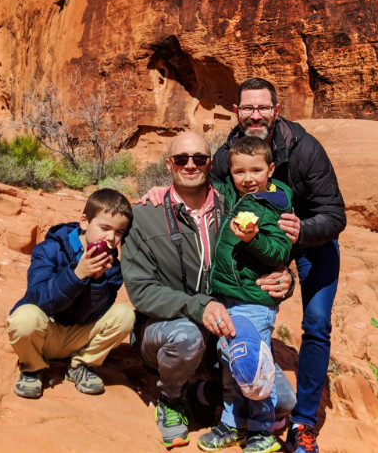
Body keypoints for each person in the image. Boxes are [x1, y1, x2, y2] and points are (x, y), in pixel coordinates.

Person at [122, 131, 296, 449]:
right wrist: (199, 307)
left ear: (210, 164)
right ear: (169, 164)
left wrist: (286, 280)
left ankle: (202, 394)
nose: (190, 165)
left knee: (281, 400)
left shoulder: (231, 203)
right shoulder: (146, 215)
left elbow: (267, 250)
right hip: (167, 329)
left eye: (199, 159)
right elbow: (142, 291)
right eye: (181, 159)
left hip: (222, 325)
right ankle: (172, 401)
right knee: (186, 336)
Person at [210, 78, 346, 453]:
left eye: (263, 108)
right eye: (248, 109)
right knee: (239, 306)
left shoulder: (305, 151)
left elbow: (334, 215)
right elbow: (210, 198)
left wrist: (300, 234)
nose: (256, 116)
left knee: (316, 323)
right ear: (236, 113)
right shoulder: (228, 155)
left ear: (277, 111)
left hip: (310, 238)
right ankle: (238, 401)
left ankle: (303, 423)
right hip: (260, 244)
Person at [198, 136, 293, 453]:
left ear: (271, 170)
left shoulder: (273, 206)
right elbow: (206, 185)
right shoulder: (233, 195)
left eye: (256, 170)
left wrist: (253, 240)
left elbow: (280, 252)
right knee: (232, 362)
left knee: (253, 364)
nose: (248, 178)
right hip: (229, 298)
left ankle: (263, 429)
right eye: (240, 171)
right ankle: (234, 424)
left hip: (254, 300)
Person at [6, 188, 135, 398]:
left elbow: (92, 314)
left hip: (78, 336)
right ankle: (33, 367)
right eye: (104, 227)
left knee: (125, 315)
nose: (111, 237)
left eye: (119, 232)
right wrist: (76, 275)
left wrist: (97, 280)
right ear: (84, 222)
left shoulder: (112, 267)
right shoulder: (49, 249)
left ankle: (81, 365)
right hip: (46, 332)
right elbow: (41, 300)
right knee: (24, 316)